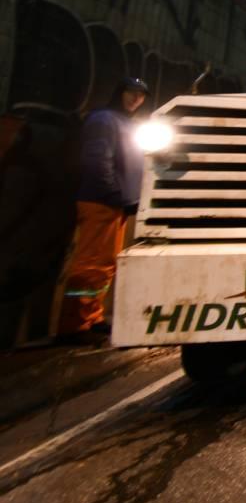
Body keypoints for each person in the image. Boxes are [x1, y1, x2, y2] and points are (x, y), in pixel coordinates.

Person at [57, 77, 149, 343]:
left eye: (141, 95)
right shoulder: (104, 120)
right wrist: (114, 193)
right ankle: (74, 324)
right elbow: (98, 159)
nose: (135, 99)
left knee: (105, 264)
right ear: (119, 93)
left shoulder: (124, 123)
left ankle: (92, 316)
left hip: (115, 203)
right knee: (91, 264)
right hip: (101, 201)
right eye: (131, 93)